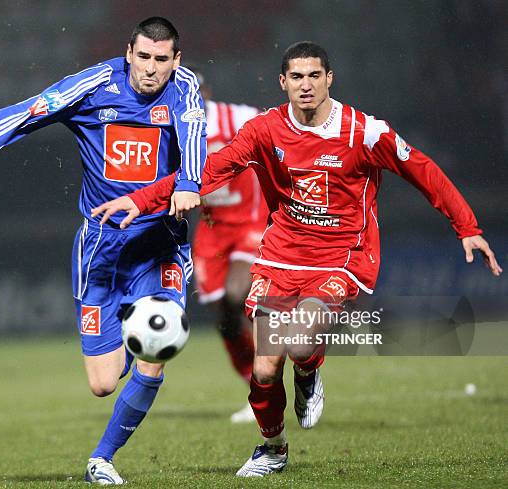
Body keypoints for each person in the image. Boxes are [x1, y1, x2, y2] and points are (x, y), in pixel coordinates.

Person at [92, 41, 503, 477]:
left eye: (314, 76)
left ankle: (308, 373)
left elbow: (421, 169)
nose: (305, 85)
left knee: (301, 340)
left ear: (329, 79)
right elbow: (206, 172)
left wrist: (468, 227)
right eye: (297, 77)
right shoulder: (265, 129)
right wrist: (141, 199)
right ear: (283, 82)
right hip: (282, 256)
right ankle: (272, 448)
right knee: (266, 368)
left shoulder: (363, 132)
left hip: (342, 257)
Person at [0, 17, 206, 485]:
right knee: (103, 384)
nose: (151, 69)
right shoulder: (90, 88)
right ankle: (130, 339)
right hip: (101, 249)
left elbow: (192, 133)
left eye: (161, 60)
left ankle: (101, 460)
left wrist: (188, 182)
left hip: (158, 244)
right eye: (143, 57)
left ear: (176, 60)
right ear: (129, 52)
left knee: (157, 346)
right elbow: (26, 114)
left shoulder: (184, 89)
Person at [190, 69, 268, 423]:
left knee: (238, 294)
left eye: (194, 90)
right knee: (223, 316)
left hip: (250, 220)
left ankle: (276, 377)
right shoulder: (170, 129)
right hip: (210, 228)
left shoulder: (237, 117)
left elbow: (277, 132)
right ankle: (256, 388)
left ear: (206, 91)